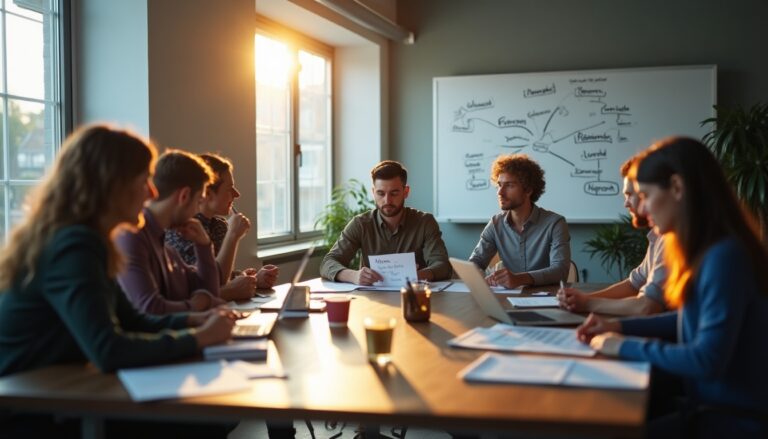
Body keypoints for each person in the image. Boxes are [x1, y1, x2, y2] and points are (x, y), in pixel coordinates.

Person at [0, 125, 236, 437]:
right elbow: (108, 349)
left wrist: (196, 319)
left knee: (210, 417)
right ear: (113, 186)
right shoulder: (75, 245)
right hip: (30, 409)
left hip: (56, 390)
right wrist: (200, 338)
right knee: (203, 422)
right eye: (144, 181)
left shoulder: (88, 240)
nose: (152, 194)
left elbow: (133, 320)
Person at [576, 137, 768, 438]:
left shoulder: (724, 257)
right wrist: (619, 327)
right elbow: (691, 320)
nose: (644, 208)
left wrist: (621, 344)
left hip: (730, 421)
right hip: (707, 405)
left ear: (677, 187)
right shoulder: (709, 249)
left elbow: (706, 359)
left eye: (647, 195)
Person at [116, 150, 223, 314]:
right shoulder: (132, 237)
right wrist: (196, 305)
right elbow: (149, 309)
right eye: (198, 201)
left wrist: (203, 244)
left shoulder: (165, 244)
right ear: (184, 196)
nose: (196, 211)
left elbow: (210, 294)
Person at [557, 157, 666, 315]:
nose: (626, 203)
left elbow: (648, 306)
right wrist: (583, 299)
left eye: (634, 195)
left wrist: (588, 303)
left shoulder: (671, 240)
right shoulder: (658, 237)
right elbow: (634, 284)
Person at [165, 153, 279, 300]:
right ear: (208, 193)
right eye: (229, 188)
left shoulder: (219, 225)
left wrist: (253, 280)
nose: (236, 194)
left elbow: (218, 277)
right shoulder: (183, 230)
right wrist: (233, 236)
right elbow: (208, 287)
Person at [320, 160, 451, 285]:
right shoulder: (360, 224)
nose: (387, 200)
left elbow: (443, 266)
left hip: (413, 297)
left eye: (394, 193)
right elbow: (328, 262)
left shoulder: (425, 222)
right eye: (380, 193)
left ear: (406, 192)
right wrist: (353, 276)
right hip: (373, 300)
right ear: (373, 192)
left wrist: (418, 275)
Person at [468, 153, 570, 288]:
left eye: (509, 185)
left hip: (546, 300)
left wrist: (520, 279)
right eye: (499, 185)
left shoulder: (555, 223)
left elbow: (560, 271)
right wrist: (480, 275)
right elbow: (475, 262)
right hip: (508, 299)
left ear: (528, 190)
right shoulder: (495, 224)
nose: (500, 192)